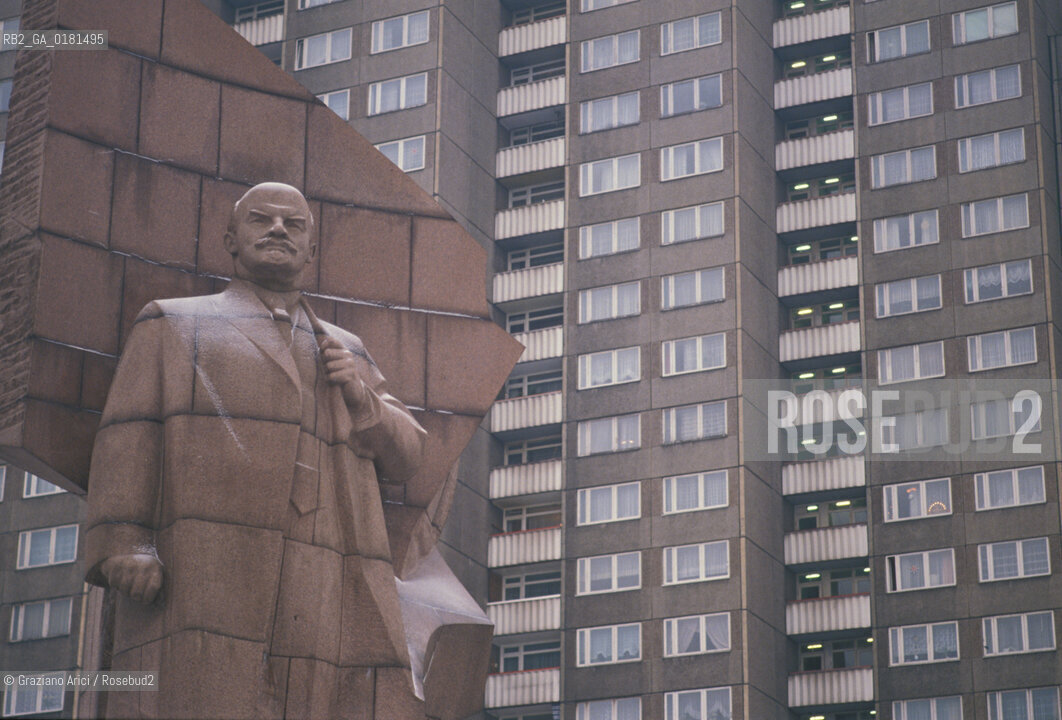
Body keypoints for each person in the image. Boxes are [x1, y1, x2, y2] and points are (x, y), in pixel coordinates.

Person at [84, 182, 430, 719]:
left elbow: (409, 455)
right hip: (208, 557)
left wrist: (363, 398)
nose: (277, 230)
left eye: (294, 225)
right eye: (261, 220)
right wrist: (125, 541)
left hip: (326, 561)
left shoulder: (346, 347)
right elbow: (130, 433)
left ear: (311, 250)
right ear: (230, 238)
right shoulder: (174, 321)